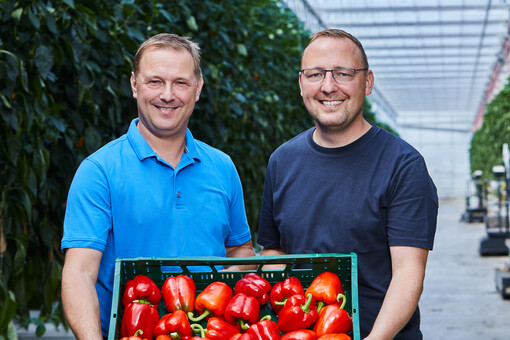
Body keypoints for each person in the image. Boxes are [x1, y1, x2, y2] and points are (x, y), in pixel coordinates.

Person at [61, 33, 255, 339]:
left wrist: (216, 294)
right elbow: (80, 272)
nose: (167, 95)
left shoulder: (222, 167)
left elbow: (240, 250)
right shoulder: (99, 172)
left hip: (208, 330)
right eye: (154, 82)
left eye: (180, 82)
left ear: (198, 88)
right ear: (135, 85)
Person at [257, 29, 438, 340]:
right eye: (315, 75)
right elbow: (274, 250)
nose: (329, 87)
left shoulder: (403, 165)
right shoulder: (282, 161)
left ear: (367, 82)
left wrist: (376, 338)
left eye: (343, 73)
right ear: (302, 84)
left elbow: (408, 271)